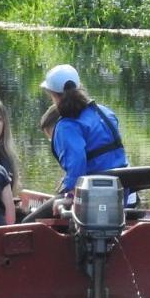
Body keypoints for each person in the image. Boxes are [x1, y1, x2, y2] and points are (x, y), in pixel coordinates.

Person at [39, 63, 129, 201]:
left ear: (53, 95)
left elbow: (76, 165)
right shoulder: (104, 112)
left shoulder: (67, 127)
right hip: (122, 189)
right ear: (79, 87)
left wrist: (68, 194)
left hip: (94, 193)